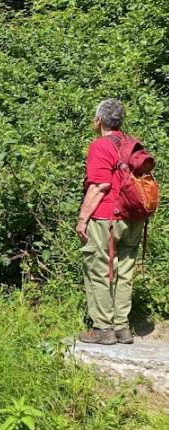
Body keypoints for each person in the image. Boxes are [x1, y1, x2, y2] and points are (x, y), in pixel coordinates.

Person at [77, 99, 144, 345]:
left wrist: (83, 219)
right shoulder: (132, 143)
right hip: (134, 219)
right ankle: (122, 328)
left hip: (106, 217)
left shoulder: (100, 146)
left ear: (99, 121)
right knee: (125, 272)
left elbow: (100, 186)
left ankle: (103, 328)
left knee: (100, 269)